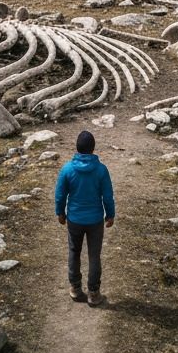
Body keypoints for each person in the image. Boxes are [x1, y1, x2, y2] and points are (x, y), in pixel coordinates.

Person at [54, 130, 115, 306]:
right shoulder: (101, 170)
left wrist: (60, 212)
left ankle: (75, 288)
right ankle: (94, 293)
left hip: (74, 219)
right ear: (93, 149)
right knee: (94, 255)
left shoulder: (67, 169)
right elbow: (107, 196)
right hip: (95, 220)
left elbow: (60, 195)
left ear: (77, 148)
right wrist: (110, 214)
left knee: (74, 252)